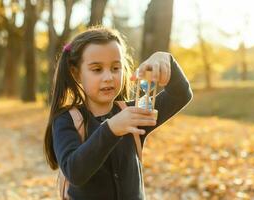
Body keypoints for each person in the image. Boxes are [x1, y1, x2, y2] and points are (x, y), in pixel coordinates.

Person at [44, 26, 193, 200]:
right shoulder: (66, 119)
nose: (108, 77)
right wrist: (111, 129)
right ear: (76, 73)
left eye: (115, 68)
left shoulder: (133, 113)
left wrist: (165, 58)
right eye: (97, 69)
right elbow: (75, 172)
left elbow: (181, 94)